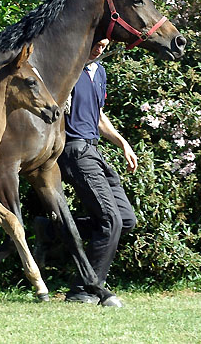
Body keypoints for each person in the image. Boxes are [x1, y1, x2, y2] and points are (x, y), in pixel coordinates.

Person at [52, 38, 137, 307]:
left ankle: (52, 230)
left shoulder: (99, 72)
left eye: (103, 45)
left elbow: (99, 117)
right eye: (95, 43)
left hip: (94, 149)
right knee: (109, 220)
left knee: (125, 219)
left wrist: (122, 143)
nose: (99, 49)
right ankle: (84, 289)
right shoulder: (68, 69)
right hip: (74, 150)